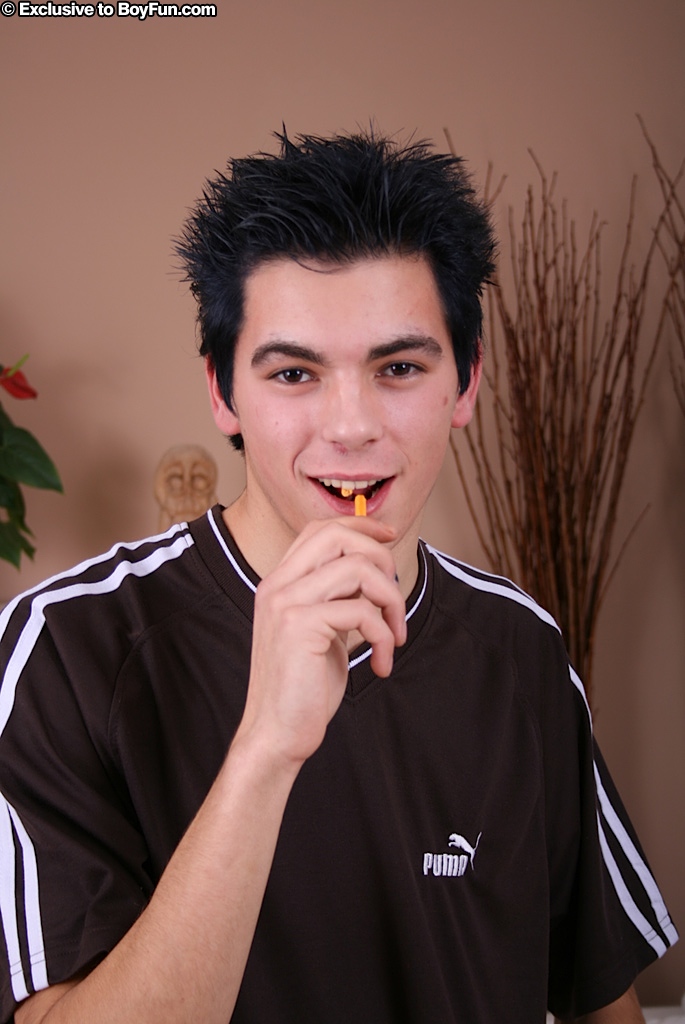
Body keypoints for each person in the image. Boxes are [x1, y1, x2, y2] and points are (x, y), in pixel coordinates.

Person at [0, 130, 677, 1024]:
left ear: (466, 382)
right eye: (293, 373)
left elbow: (604, 1003)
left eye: (399, 368)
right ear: (222, 392)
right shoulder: (64, 646)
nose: (350, 426)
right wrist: (265, 748)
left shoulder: (521, 648)